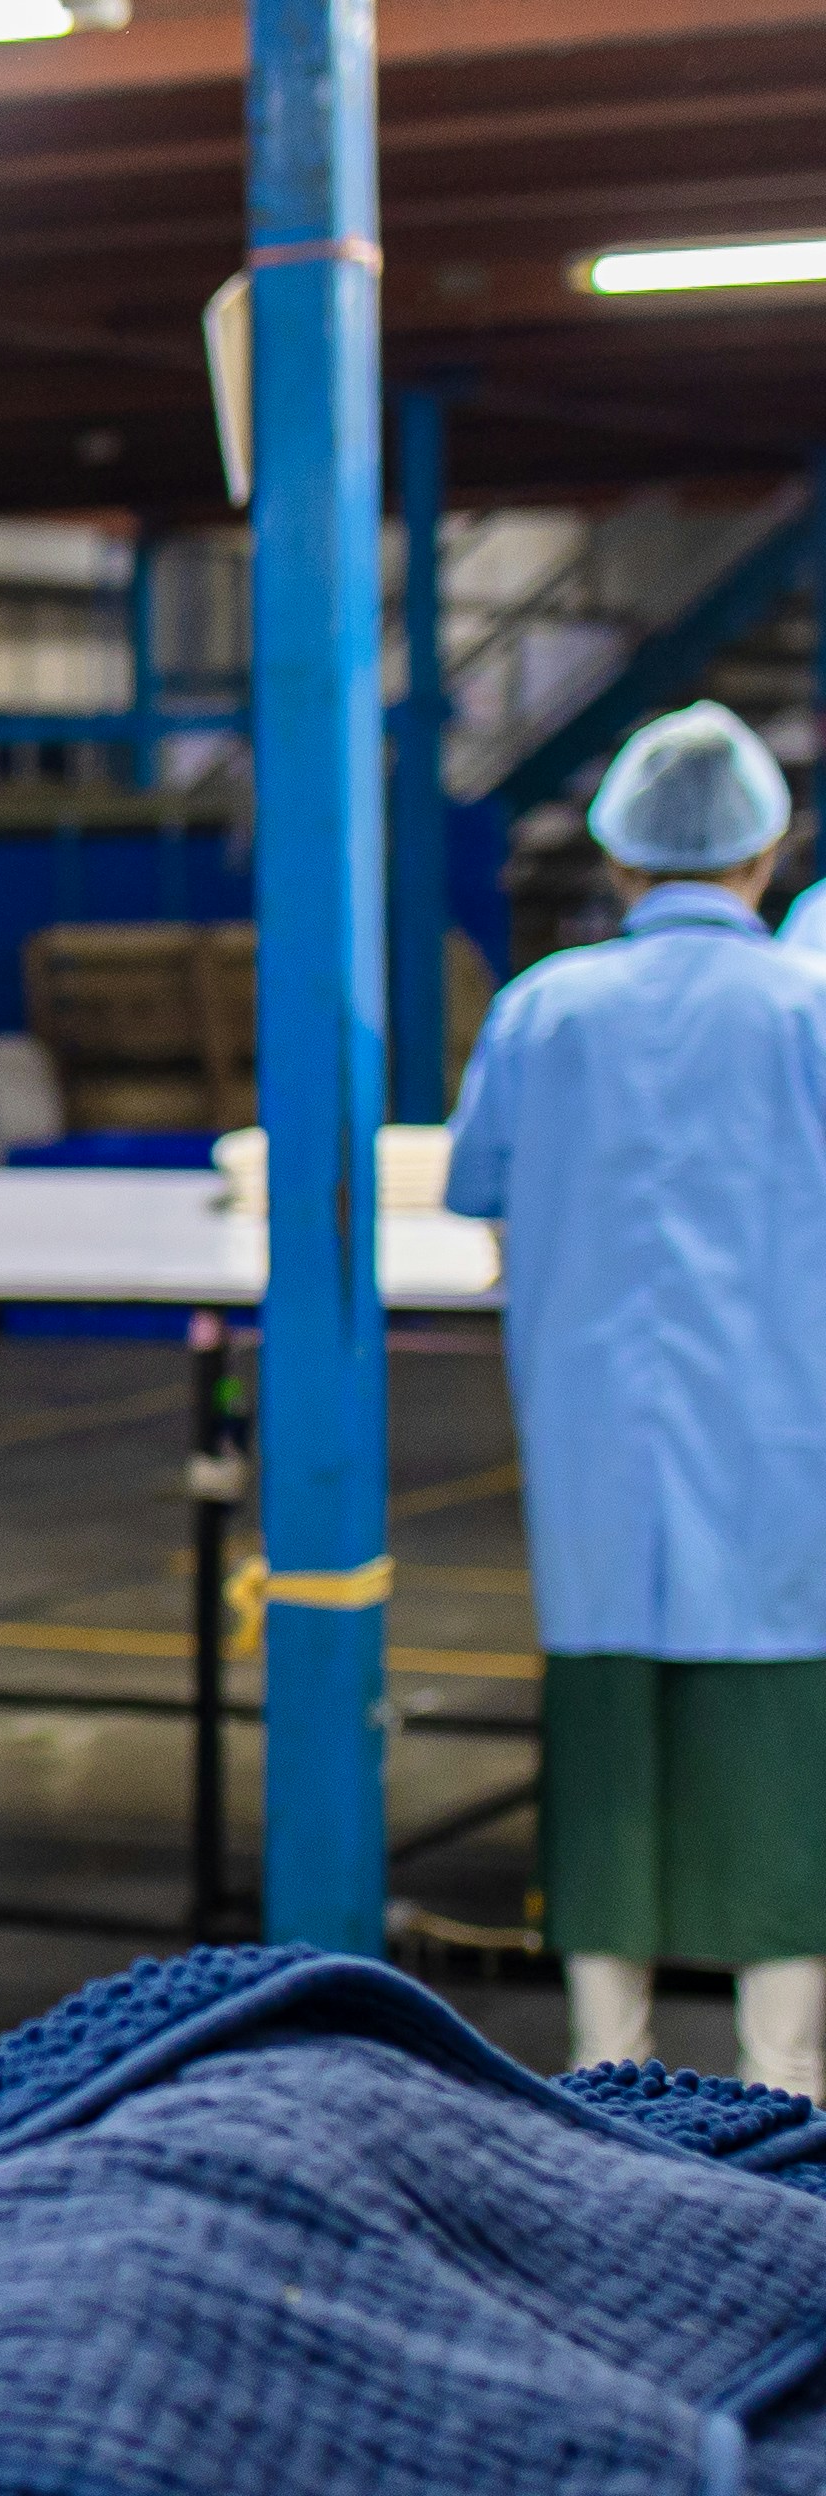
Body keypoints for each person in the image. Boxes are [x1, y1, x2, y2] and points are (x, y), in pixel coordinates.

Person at [444, 699, 826, 2099]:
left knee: (605, 1734)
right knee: (783, 1735)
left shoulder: (547, 1010)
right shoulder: (809, 1009)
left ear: (618, 860)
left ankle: (608, 2064)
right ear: (766, 854)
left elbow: (478, 1187)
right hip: (788, 1437)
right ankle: (786, 2079)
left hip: (596, 1437)